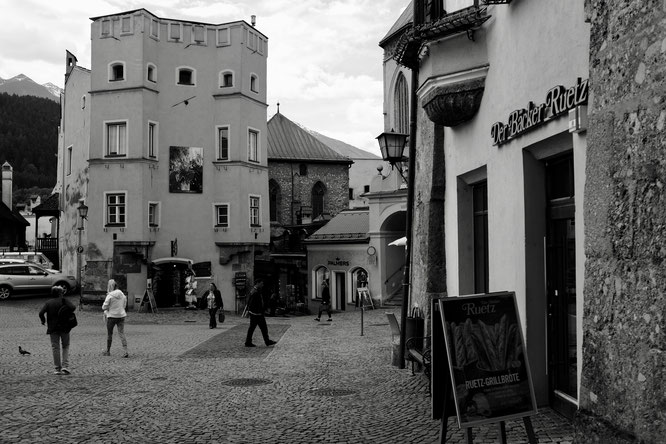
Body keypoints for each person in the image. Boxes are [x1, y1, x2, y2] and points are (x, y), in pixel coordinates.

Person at [39, 286, 76, 375]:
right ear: (60, 293)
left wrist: (43, 321)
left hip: (53, 328)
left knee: (55, 347)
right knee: (65, 346)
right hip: (65, 327)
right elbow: (73, 307)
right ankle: (65, 366)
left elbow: (41, 313)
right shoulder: (64, 300)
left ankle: (57, 368)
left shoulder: (48, 303)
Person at [245, 279, 277, 347]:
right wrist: (258, 311)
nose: (263, 285)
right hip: (257, 314)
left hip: (256, 313)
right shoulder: (255, 292)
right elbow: (251, 303)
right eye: (261, 283)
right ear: (257, 283)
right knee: (262, 328)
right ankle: (266, 341)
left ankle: (249, 342)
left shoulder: (255, 290)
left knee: (255, 328)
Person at [102, 279, 129, 357]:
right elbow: (124, 305)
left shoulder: (110, 295)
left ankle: (108, 351)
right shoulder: (122, 294)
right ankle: (125, 351)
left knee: (109, 334)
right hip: (121, 315)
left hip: (112, 316)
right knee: (121, 333)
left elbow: (104, 307)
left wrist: (109, 309)